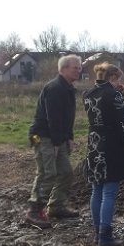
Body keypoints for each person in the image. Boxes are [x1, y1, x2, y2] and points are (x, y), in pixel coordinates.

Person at [82, 63, 124, 246]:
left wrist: (119, 94)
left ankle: (97, 232)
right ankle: (105, 236)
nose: (121, 82)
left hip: (94, 145)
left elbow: (102, 115)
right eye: (119, 79)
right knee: (109, 191)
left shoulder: (88, 95)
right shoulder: (113, 95)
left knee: (96, 190)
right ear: (112, 77)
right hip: (112, 146)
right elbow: (123, 124)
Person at [25, 54, 83, 228]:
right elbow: (54, 119)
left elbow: (67, 118)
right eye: (76, 67)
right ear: (63, 68)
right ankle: (34, 211)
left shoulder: (68, 88)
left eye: (80, 67)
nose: (79, 70)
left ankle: (56, 206)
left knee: (65, 172)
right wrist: (60, 141)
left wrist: (69, 138)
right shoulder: (55, 88)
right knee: (47, 173)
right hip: (43, 136)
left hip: (58, 137)